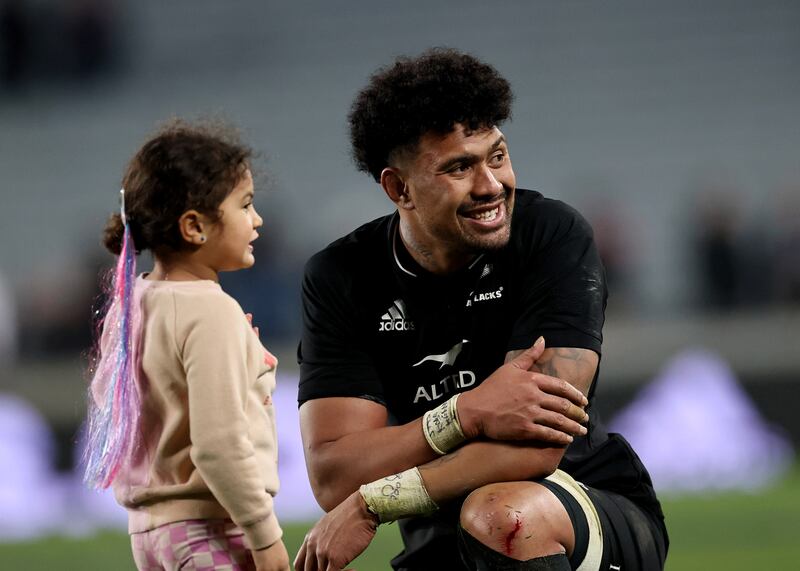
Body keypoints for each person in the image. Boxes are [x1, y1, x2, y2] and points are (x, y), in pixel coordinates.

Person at [294, 49, 668, 571]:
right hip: (440, 537)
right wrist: (465, 413)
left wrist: (376, 501)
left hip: (578, 500)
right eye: (459, 168)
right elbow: (335, 475)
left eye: (497, 155)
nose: (491, 185)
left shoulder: (551, 236)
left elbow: (536, 446)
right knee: (482, 519)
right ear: (399, 188)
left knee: (501, 516)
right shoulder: (341, 277)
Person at [82, 121, 290, 571]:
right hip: (210, 530)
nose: (257, 220)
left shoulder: (132, 301)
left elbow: (112, 403)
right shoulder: (210, 311)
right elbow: (217, 445)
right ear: (195, 226)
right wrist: (264, 535)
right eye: (246, 205)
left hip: (153, 536)